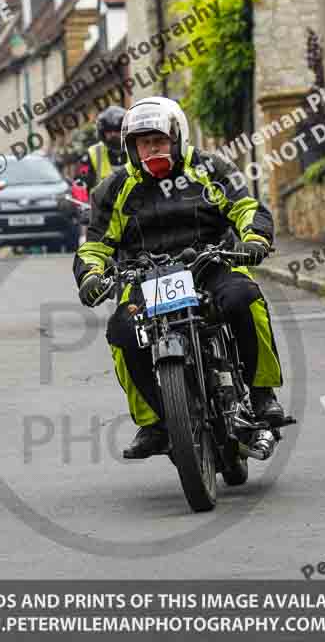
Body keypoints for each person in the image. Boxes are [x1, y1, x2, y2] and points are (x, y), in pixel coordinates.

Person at [73, 96, 284, 459]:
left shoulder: (212, 169)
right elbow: (95, 245)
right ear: (131, 148)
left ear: (176, 138)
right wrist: (91, 276)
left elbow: (246, 208)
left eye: (158, 140)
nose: (152, 149)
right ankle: (154, 423)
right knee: (122, 331)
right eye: (143, 143)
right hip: (146, 277)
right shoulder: (113, 189)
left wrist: (254, 238)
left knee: (245, 298)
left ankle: (262, 393)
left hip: (211, 264)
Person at [75, 106, 127, 193]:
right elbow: (79, 183)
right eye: (109, 131)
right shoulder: (92, 153)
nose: (113, 134)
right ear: (102, 132)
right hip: (102, 205)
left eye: (117, 130)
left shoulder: (138, 148)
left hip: (137, 204)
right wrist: (81, 201)